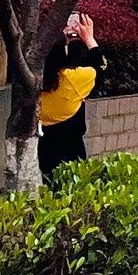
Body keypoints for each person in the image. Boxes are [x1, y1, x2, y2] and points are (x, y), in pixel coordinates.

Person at [37, 11, 104, 179]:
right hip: (71, 149)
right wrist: (88, 38)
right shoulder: (74, 79)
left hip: (42, 149)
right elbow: (101, 67)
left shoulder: (31, 82)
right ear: (63, 51)